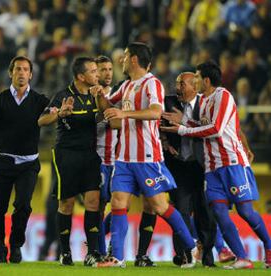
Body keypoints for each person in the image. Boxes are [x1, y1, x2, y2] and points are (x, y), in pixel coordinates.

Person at [92, 42, 196, 268]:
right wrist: (100, 95)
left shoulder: (152, 84)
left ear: (134, 60)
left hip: (147, 157)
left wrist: (124, 112)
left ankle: (191, 245)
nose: (121, 60)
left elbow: (156, 112)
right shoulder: (127, 85)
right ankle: (117, 257)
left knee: (159, 206)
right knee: (118, 203)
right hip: (124, 158)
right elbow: (109, 106)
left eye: (125, 56)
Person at [161, 60, 271, 269]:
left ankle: (269, 246)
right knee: (218, 213)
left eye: (197, 77)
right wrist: (183, 121)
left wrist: (182, 129)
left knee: (245, 212)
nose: (194, 80)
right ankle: (242, 257)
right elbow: (201, 125)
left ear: (206, 80)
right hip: (212, 168)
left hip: (232, 162)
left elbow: (216, 129)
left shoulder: (223, 96)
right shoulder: (203, 100)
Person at [0, 56, 50, 264]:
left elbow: (56, 112)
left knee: (23, 205)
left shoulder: (40, 100)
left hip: (28, 164)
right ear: (11, 73)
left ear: (31, 75)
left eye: (26, 69)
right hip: (4, 163)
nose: (22, 73)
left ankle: (15, 246)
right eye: (18, 69)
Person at [38, 57, 104, 267]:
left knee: (93, 202)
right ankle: (65, 252)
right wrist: (59, 114)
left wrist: (102, 100)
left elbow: (109, 117)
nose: (97, 74)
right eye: (93, 71)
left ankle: (92, 252)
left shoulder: (97, 95)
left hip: (90, 155)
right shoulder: (63, 96)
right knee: (66, 204)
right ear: (81, 76)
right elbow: (41, 120)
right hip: (66, 155)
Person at [161, 72, 217, 267]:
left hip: (202, 166)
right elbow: (155, 124)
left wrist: (183, 119)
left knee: (205, 212)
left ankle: (208, 256)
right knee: (181, 210)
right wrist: (165, 141)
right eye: (176, 83)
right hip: (178, 165)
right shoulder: (167, 102)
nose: (178, 88)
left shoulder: (206, 104)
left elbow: (213, 129)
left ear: (195, 86)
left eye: (182, 84)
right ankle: (184, 255)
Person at [94, 55, 118, 257]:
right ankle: (101, 251)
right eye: (102, 70)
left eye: (110, 69)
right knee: (100, 206)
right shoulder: (89, 97)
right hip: (100, 159)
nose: (107, 73)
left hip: (120, 160)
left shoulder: (119, 94)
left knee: (122, 204)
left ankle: (108, 242)